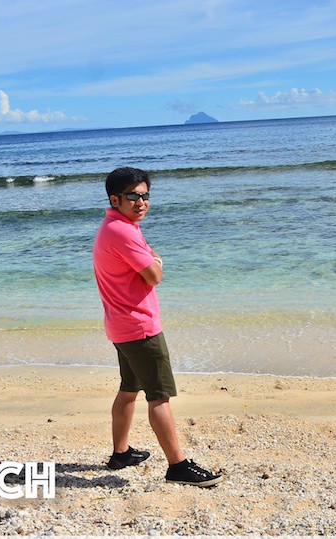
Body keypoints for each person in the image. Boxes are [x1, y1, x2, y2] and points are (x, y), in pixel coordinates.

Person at [92, 166, 223, 487]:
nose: (141, 202)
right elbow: (153, 275)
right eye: (133, 196)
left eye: (145, 195)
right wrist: (158, 261)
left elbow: (143, 263)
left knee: (128, 390)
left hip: (120, 326)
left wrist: (150, 258)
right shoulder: (124, 232)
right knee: (159, 397)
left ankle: (121, 453)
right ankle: (178, 466)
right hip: (140, 328)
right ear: (115, 198)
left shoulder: (113, 226)